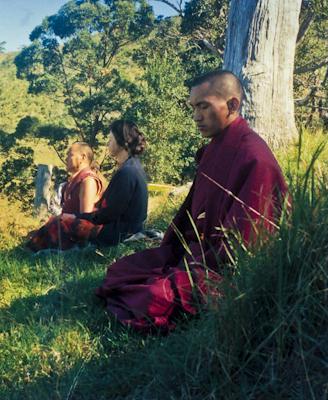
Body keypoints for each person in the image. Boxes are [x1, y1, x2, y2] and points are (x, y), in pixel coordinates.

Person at [95, 70, 289, 332]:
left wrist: (196, 263)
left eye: (203, 106)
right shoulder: (215, 148)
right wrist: (177, 252)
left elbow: (247, 246)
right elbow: (191, 212)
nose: (196, 116)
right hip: (197, 252)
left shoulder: (254, 158)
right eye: (193, 107)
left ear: (232, 105)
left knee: (152, 295)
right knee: (121, 270)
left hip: (223, 268)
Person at [27, 120, 148, 251]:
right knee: (62, 221)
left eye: (111, 139)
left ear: (122, 141)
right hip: (124, 228)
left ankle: (30, 251)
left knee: (61, 222)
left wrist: (77, 218)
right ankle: (35, 246)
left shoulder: (127, 172)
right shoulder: (132, 167)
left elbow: (108, 215)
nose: (108, 143)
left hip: (119, 233)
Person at [27, 142, 104, 251]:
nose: (66, 158)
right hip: (67, 229)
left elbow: (85, 218)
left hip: (79, 234)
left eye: (70, 154)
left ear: (82, 157)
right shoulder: (72, 182)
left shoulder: (88, 181)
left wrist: (60, 220)